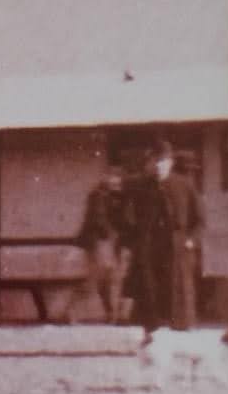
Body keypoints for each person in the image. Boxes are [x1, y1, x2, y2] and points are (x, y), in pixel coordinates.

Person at [126, 139, 205, 338]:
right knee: (150, 291)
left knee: (178, 293)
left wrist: (190, 240)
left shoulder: (185, 185)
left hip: (178, 248)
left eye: (163, 161)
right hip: (150, 248)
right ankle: (151, 336)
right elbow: (127, 217)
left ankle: (181, 335)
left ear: (170, 163)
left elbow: (200, 220)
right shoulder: (140, 187)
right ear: (150, 163)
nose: (159, 166)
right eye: (155, 161)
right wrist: (135, 240)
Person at [70, 166, 130, 323]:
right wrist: (113, 235)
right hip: (99, 241)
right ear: (106, 177)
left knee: (111, 279)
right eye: (111, 177)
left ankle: (112, 315)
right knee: (97, 278)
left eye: (117, 177)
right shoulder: (98, 195)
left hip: (111, 241)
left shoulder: (117, 196)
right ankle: (72, 312)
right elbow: (98, 218)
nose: (114, 180)